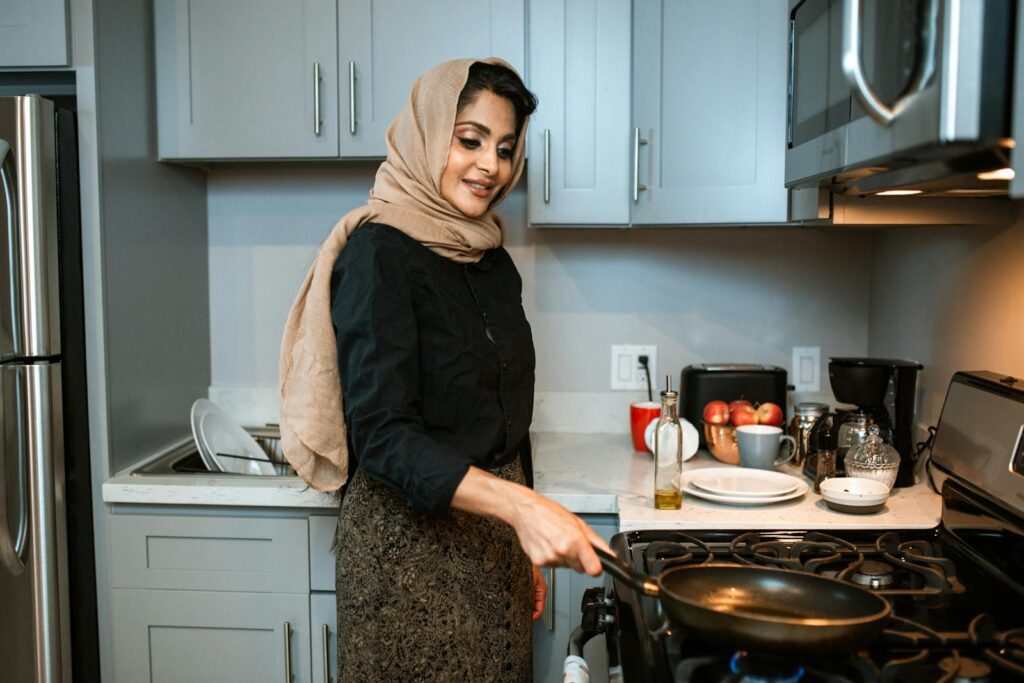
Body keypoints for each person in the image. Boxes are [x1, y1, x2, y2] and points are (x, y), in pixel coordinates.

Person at [278, 58, 610, 682]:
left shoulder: (490, 259)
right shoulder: (379, 254)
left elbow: (507, 415)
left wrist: (519, 538)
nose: (491, 165)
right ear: (429, 135)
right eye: (470, 140)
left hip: (491, 547)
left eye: (506, 149)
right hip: (407, 558)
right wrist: (520, 510)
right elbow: (383, 436)